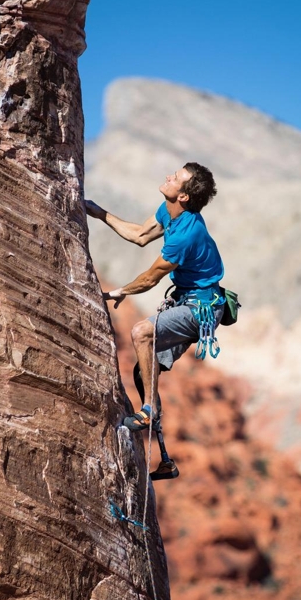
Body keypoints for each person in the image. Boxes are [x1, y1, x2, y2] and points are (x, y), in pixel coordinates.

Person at [85, 162, 225, 438]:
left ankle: (149, 412)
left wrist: (119, 291)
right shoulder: (170, 212)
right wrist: (100, 213)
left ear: (183, 196)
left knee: (141, 332)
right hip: (187, 300)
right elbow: (140, 235)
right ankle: (157, 433)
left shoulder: (186, 235)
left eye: (176, 178)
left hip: (202, 308)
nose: (168, 176)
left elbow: (150, 278)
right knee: (143, 370)